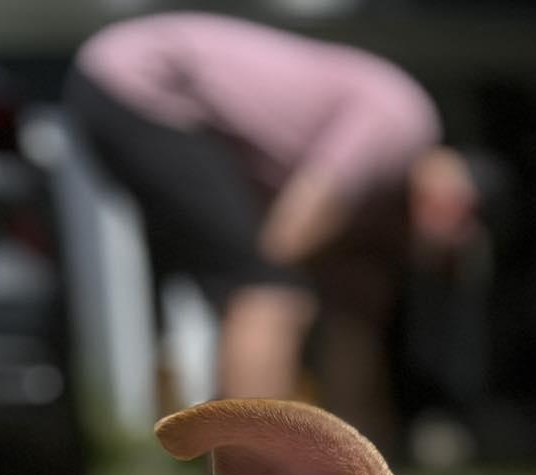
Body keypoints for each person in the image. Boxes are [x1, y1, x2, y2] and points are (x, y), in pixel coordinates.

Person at [65, 11, 482, 448]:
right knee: (270, 290)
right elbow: (289, 234)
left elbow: (352, 333)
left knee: (267, 292)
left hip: (142, 93)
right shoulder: (402, 124)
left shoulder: (381, 199)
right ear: (447, 203)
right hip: (140, 82)